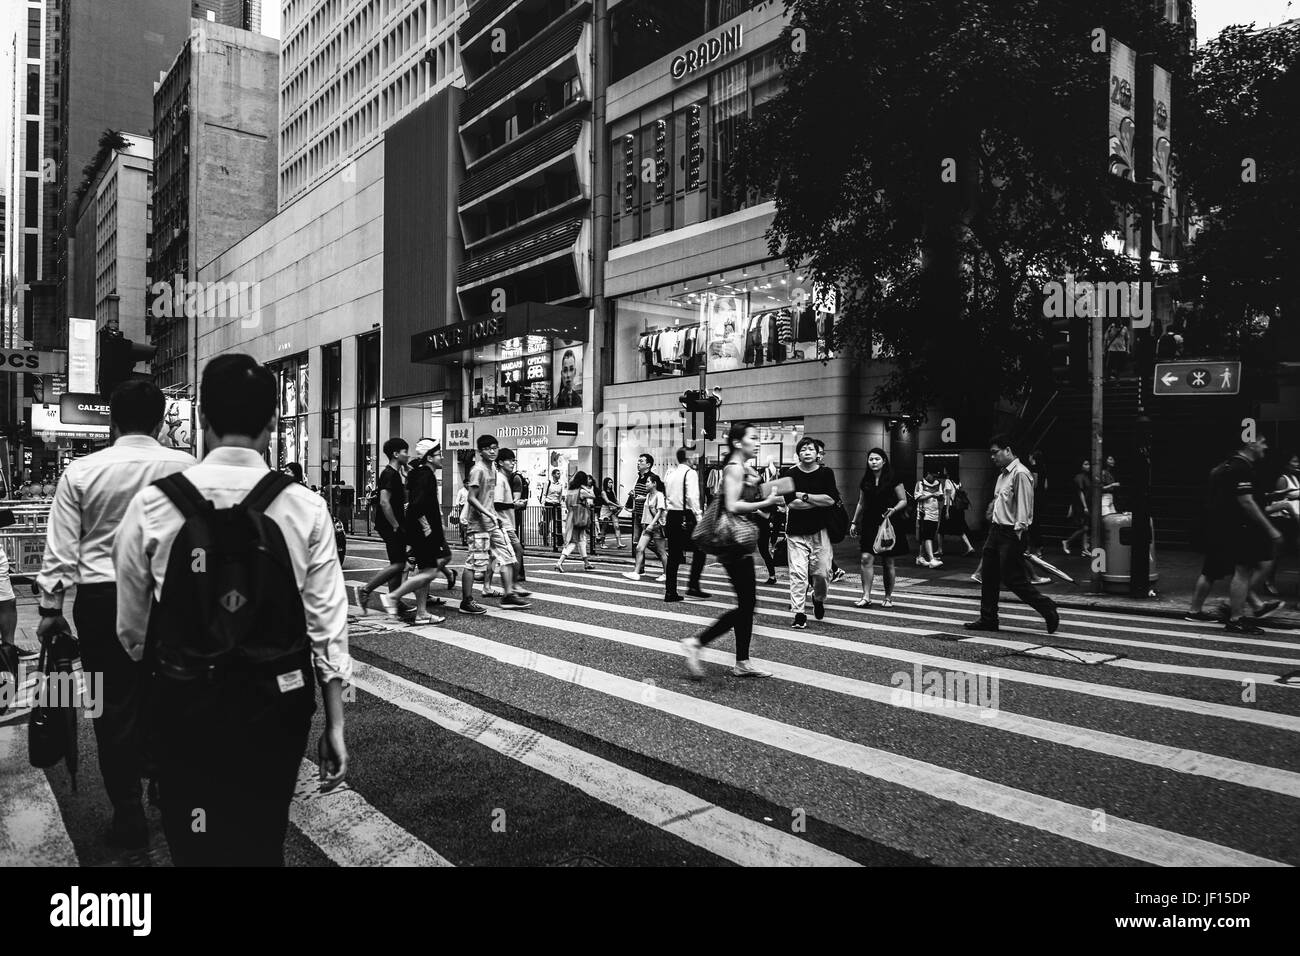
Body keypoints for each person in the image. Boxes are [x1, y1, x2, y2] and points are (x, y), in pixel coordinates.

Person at [114, 354, 349, 866]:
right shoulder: (304, 506)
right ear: (271, 422)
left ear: (201, 418)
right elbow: (327, 625)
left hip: (184, 701)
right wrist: (334, 723)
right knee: (263, 836)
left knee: (192, 840)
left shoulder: (153, 504)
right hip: (276, 702)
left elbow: (131, 633)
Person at [34, 380, 196, 849]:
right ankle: (166, 785)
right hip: (172, 599)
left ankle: (127, 812)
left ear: (112, 420)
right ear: (163, 416)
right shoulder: (186, 467)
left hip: (102, 601)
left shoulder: (82, 472)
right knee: (174, 697)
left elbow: (61, 549)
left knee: (112, 706)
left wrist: (50, 609)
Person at [679, 422, 783, 679]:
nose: (757, 442)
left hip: (735, 542)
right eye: (753, 438)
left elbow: (744, 503)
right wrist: (765, 501)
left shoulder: (742, 469)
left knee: (747, 603)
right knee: (747, 604)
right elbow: (732, 506)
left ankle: (742, 662)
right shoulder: (734, 468)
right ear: (738, 443)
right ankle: (698, 643)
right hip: (732, 543)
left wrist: (761, 494)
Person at [964, 435, 1060, 635]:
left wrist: (1017, 537)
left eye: (995, 452)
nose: (992, 457)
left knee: (1013, 579)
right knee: (988, 577)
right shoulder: (1002, 476)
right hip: (995, 531)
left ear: (1008, 450)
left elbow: (1024, 510)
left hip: (1011, 533)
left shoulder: (1021, 474)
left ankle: (1046, 606)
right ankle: (988, 618)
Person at [1184, 439, 1283, 634]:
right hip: (1237, 527)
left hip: (1221, 526)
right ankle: (1237, 617)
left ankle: (1245, 606)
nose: (1266, 446)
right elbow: (1246, 501)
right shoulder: (1241, 468)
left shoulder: (1225, 467)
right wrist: (1270, 529)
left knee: (1217, 570)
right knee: (1242, 570)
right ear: (1250, 444)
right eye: (1262, 442)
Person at [381, 439, 452, 624]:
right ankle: (394, 596)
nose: (442, 457)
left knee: (427, 571)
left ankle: (421, 613)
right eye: (438, 454)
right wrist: (427, 528)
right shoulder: (425, 476)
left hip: (423, 531)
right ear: (429, 457)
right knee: (429, 571)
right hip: (424, 532)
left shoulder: (421, 473)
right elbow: (416, 506)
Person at [460, 435, 531, 613]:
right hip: (478, 525)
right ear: (480, 451)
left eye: (494, 447)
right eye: (488, 448)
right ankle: (466, 601)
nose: (492, 451)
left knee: (508, 556)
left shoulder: (492, 468)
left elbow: (489, 497)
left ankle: (508, 595)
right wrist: (488, 513)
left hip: (492, 523)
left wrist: (494, 516)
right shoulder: (478, 470)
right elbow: (472, 498)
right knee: (474, 563)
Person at [782, 437, 839, 628]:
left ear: (817, 453)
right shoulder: (788, 474)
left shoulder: (826, 473)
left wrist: (804, 496)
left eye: (810, 449)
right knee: (798, 573)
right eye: (803, 449)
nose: (807, 452)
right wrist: (816, 501)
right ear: (798, 453)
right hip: (796, 532)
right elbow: (791, 503)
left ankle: (818, 597)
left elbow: (830, 500)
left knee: (822, 573)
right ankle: (799, 613)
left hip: (820, 531)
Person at [849, 448, 909, 608]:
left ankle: (888, 597)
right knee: (866, 558)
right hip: (869, 522)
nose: (873, 462)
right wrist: (854, 522)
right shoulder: (866, 480)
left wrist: (894, 510)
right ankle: (866, 596)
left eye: (877, 459)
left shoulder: (893, 478)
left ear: (884, 461)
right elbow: (861, 502)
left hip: (889, 522)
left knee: (888, 561)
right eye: (871, 459)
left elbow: (903, 500)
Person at [357, 438, 410, 615]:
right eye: (405, 451)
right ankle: (365, 589)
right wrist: (395, 525)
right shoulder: (388, 474)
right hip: (391, 525)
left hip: (394, 524)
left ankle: (395, 599)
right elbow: (384, 502)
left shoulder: (396, 473)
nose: (407, 455)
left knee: (397, 563)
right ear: (396, 454)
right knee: (398, 564)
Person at [663, 448, 709, 602]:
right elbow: (692, 497)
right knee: (701, 548)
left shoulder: (670, 473)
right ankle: (693, 585)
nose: (697, 457)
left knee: (674, 555)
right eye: (695, 455)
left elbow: (667, 495)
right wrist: (699, 518)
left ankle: (670, 591)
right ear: (689, 458)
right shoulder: (690, 473)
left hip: (672, 515)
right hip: (686, 516)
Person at [1265, 452, 1299, 597]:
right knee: (1277, 553)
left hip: (1295, 518)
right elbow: (1278, 501)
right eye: (1294, 462)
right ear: (1286, 464)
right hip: (1284, 520)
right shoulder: (1282, 479)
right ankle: (1268, 580)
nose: (1297, 464)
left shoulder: (1296, 479)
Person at [623, 472, 668, 580]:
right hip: (646, 526)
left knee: (661, 551)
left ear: (654, 484)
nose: (646, 484)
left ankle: (667, 574)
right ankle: (636, 573)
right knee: (639, 548)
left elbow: (659, 512)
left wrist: (652, 525)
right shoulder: (648, 495)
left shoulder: (659, 495)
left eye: (648, 482)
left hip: (656, 527)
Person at [814, 441, 847, 582]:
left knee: (821, 554)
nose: (820, 456)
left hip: (823, 521)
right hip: (808, 523)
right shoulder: (796, 472)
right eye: (819, 452)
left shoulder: (826, 472)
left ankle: (819, 591)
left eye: (822, 453)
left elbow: (831, 499)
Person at [496, 448, 531, 585]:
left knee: (498, 554)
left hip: (505, 522)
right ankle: (512, 585)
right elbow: (497, 504)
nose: (512, 463)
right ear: (500, 462)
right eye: (510, 460)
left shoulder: (505, 478)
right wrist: (514, 505)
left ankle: (490, 580)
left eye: (513, 460)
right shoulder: (500, 480)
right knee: (516, 550)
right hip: (503, 523)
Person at [556, 471, 597, 572]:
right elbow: (593, 495)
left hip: (571, 516)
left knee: (581, 539)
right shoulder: (581, 491)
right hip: (580, 517)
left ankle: (586, 562)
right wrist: (586, 488)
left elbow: (566, 503)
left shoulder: (570, 491)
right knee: (573, 542)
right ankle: (559, 562)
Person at [938, 470, 976, 557]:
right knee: (959, 529)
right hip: (958, 509)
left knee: (941, 530)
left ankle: (940, 550)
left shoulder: (948, 482)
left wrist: (947, 511)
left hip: (950, 507)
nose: (945, 471)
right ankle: (969, 547)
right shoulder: (958, 482)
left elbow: (948, 497)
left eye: (946, 470)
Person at [913, 467, 944, 568]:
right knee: (927, 536)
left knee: (926, 536)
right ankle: (931, 559)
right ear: (928, 473)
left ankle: (920, 557)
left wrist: (938, 496)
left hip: (935, 514)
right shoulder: (920, 483)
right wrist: (931, 495)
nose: (934, 478)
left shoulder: (938, 483)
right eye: (933, 476)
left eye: (936, 476)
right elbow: (917, 497)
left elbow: (941, 497)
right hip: (924, 514)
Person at [1063, 459, 1092, 556]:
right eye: (1086, 464)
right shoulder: (1079, 477)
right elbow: (1080, 492)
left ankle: (1084, 549)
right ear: (1081, 466)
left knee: (1085, 528)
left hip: (1085, 505)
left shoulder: (1087, 477)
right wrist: (1085, 506)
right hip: (1080, 506)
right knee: (1084, 528)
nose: (1088, 466)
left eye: (1089, 464)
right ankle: (1067, 542)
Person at [628, 454, 658, 547]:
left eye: (641, 461)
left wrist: (644, 499)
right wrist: (633, 495)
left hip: (647, 515)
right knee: (637, 543)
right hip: (638, 513)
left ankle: (664, 557)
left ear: (648, 465)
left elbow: (658, 496)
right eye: (638, 461)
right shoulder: (638, 478)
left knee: (650, 543)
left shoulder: (653, 478)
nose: (638, 463)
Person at [596, 477, 625, 549]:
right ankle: (602, 543)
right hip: (605, 509)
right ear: (606, 483)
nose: (611, 484)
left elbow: (615, 499)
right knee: (604, 527)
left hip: (612, 509)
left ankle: (619, 543)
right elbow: (607, 501)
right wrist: (617, 505)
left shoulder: (612, 491)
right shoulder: (603, 492)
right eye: (609, 482)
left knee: (616, 526)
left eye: (611, 482)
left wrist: (620, 504)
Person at [541, 468, 564, 550]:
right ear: (553, 474)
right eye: (557, 473)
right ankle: (545, 539)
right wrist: (543, 505)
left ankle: (559, 541)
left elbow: (561, 495)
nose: (559, 475)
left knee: (558, 523)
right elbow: (544, 494)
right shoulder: (548, 482)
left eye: (559, 473)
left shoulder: (560, 484)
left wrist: (559, 502)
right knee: (547, 522)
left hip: (556, 504)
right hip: (549, 503)